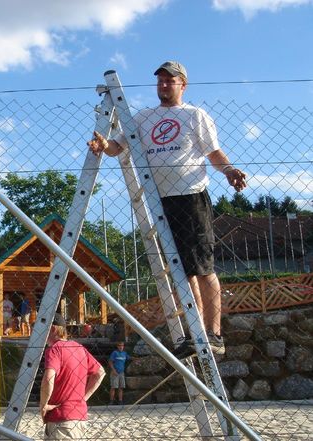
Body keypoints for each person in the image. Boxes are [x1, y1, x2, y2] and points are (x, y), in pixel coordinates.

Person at [88, 61, 247, 356]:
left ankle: (214, 334)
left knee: (203, 267)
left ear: (182, 85)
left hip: (191, 197)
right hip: (159, 202)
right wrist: (101, 145)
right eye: (160, 80)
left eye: (169, 81)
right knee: (182, 272)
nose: (163, 85)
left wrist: (229, 171)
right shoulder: (144, 117)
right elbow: (117, 147)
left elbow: (213, 153)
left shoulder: (195, 115)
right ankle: (196, 332)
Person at [39, 313, 105, 440]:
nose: (40, 333)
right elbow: (100, 372)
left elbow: (48, 379)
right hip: (79, 417)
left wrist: (43, 405)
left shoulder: (54, 349)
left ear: (53, 329)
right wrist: (83, 398)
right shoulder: (78, 347)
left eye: (42, 328)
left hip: (61, 419)